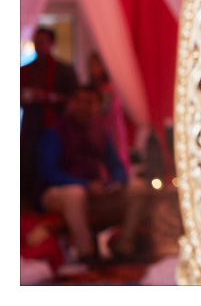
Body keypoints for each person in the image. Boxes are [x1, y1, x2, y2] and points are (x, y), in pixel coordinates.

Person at [37, 85, 151, 266]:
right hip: (59, 194)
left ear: (96, 106)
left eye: (89, 102)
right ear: (71, 103)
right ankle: (86, 254)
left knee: (138, 188)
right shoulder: (56, 132)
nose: (83, 106)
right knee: (75, 193)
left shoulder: (100, 133)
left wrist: (116, 183)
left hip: (94, 192)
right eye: (79, 101)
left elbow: (115, 166)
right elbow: (48, 172)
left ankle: (124, 247)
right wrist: (85, 185)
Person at [21, 26, 78, 210]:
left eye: (42, 42)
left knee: (52, 165)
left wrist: (48, 97)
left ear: (51, 44)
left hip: (55, 127)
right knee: (28, 166)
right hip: (30, 127)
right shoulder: (25, 70)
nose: (39, 46)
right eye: (36, 42)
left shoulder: (63, 70)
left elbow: (74, 99)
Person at [87, 51, 132, 179]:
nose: (93, 69)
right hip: (101, 129)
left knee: (116, 155)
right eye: (91, 65)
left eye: (96, 65)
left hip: (111, 129)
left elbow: (104, 110)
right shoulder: (97, 89)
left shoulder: (109, 89)